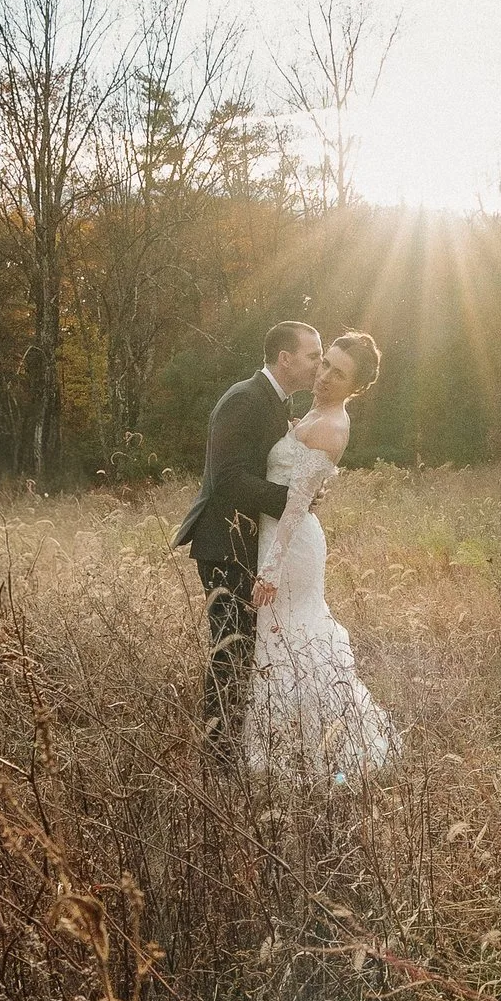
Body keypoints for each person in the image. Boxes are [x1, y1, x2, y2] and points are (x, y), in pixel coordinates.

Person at [243, 331, 401, 786]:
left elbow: (295, 505)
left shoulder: (333, 425)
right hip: (276, 537)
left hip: (291, 549)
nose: (326, 376)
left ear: (356, 386)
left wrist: (269, 570)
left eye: (339, 373)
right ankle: (284, 745)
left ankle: (308, 750)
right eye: (326, 363)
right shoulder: (314, 410)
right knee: (278, 641)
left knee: (292, 640)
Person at [175, 318, 322, 748]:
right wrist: (292, 498)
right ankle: (217, 758)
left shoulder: (274, 403)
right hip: (224, 543)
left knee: (246, 650)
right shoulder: (244, 399)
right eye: (313, 356)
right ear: (285, 358)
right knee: (230, 652)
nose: (318, 364)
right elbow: (229, 477)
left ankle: (238, 748)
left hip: (248, 542)